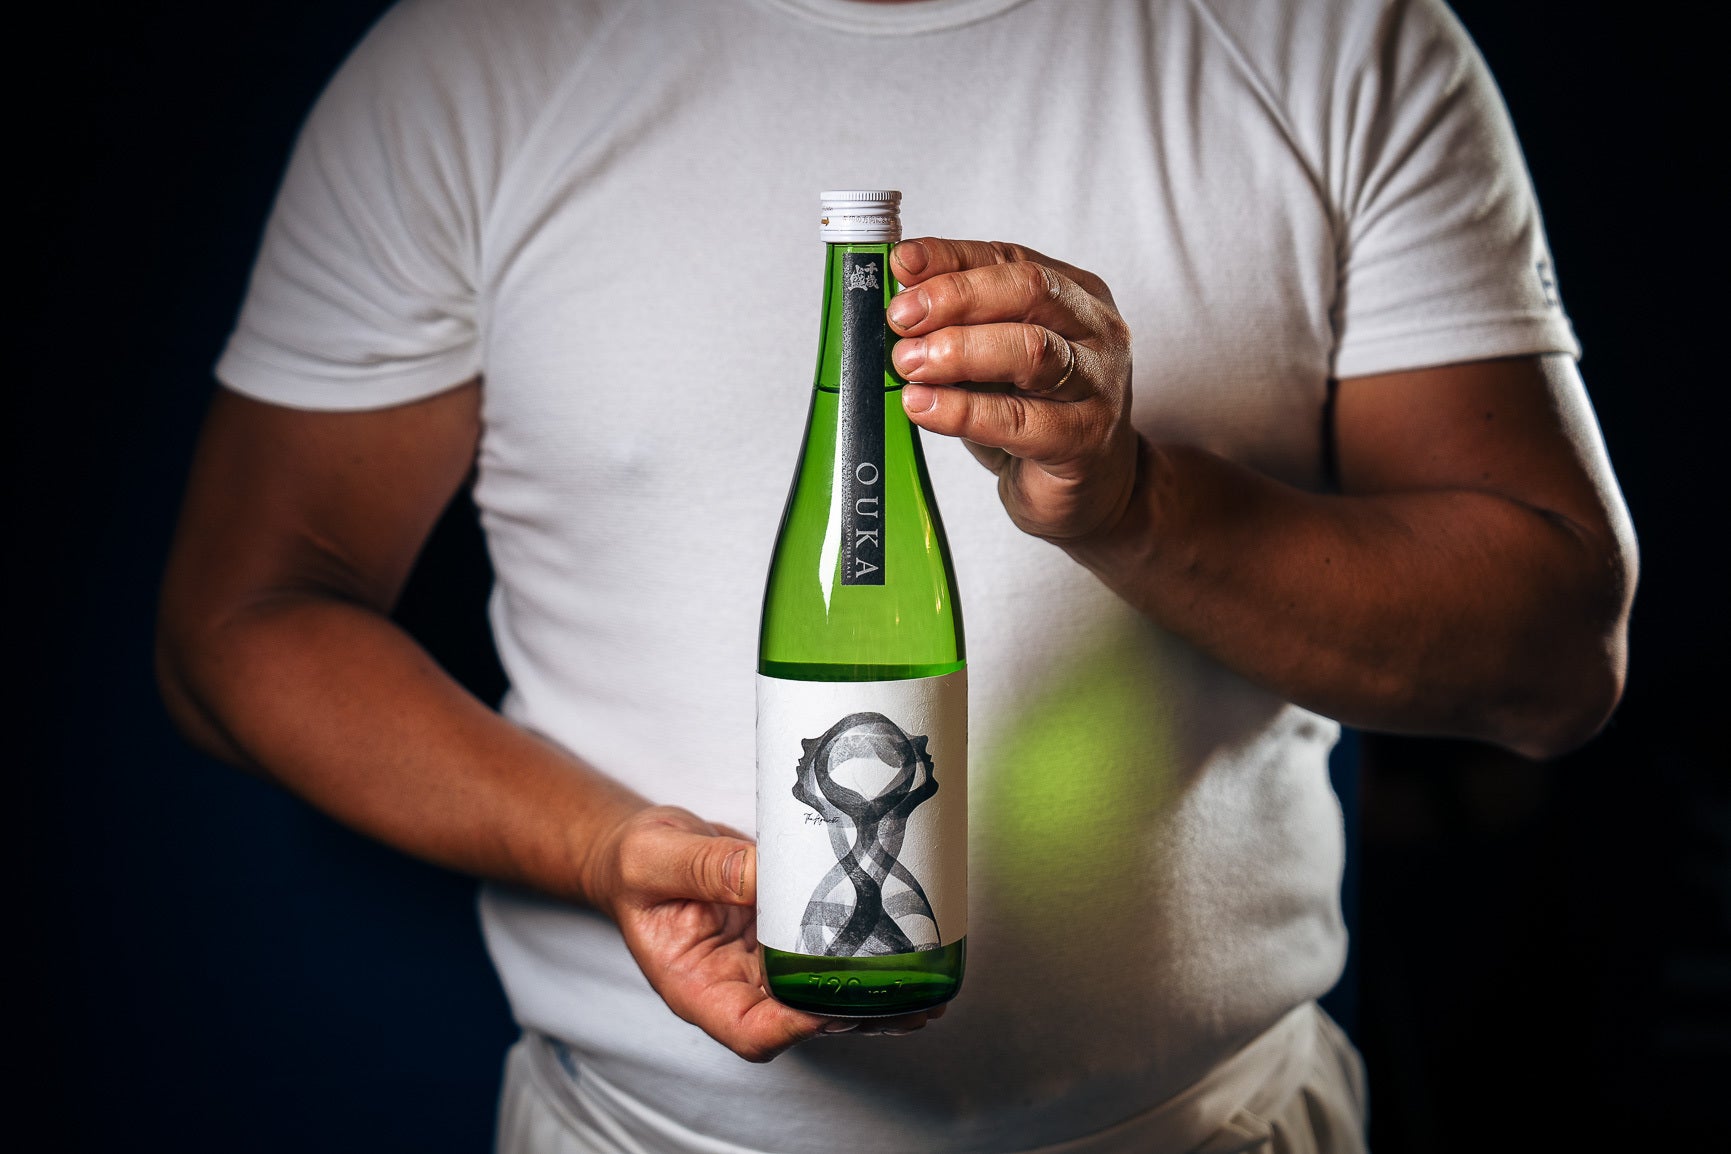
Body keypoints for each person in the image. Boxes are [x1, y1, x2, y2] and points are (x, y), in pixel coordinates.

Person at [156, 0, 1637, 1150]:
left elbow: (1560, 657)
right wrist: (603, 848)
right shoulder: (469, 60)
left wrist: (1135, 501)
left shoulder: (1339, 38)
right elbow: (239, 620)